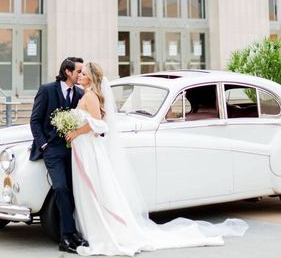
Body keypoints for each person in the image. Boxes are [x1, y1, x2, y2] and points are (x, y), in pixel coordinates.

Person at [66, 62, 248, 257]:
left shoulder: (91, 96)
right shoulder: (87, 95)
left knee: (96, 189)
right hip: (83, 149)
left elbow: (99, 125)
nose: (79, 76)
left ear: (92, 78)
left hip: (87, 148)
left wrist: (75, 132)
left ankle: (104, 228)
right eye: (80, 73)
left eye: (83, 74)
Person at [29, 57, 89, 254]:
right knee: (61, 188)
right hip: (52, 150)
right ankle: (67, 235)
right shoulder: (47, 90)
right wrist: (44, 144)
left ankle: (69, 235)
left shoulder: (80, 93)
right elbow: (35, 121)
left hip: (73, 149)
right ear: (67, 72)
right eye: (78, 71)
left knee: (72, 190)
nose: (81, 75)